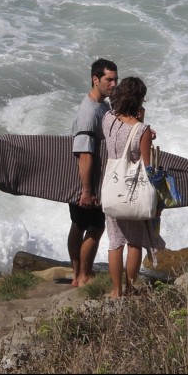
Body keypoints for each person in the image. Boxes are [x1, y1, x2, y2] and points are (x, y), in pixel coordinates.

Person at [101, 76, 166, 298]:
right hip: (134, 191)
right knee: (134, 243)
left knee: (115, 242)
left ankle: (116, 290)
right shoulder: (142, 130)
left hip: (112, 187)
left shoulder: (107, 120)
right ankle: (129, 289)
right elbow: (147, 167)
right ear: (138, 101)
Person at [68, 58, 118, 287]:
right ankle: (84, 275)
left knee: (78, 225)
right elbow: (85, 153)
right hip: (87, 181)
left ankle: (77, 274)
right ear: (95, 79)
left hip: (84, 179)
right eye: (109, 79)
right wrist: (87, 190)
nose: (114, 84)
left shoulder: (102, 105)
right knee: (96, 227)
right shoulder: (89, 111)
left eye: (115, 79)